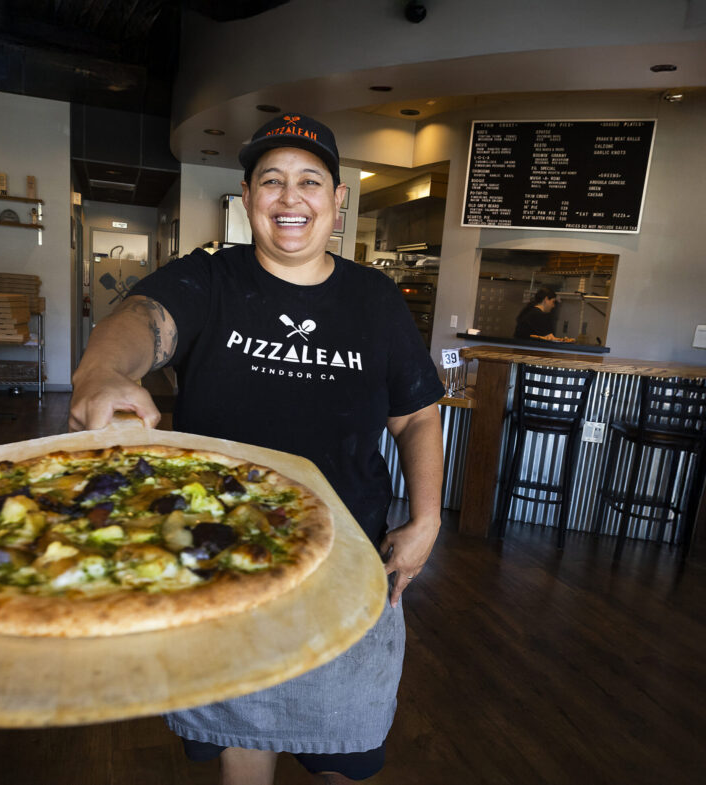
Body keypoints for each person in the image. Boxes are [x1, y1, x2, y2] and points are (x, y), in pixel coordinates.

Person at [69, 113, 445, 785]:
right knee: (242, 744)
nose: (289, 197)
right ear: (247, 197)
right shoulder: (211, 279)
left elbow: (416, 416)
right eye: (271, 180)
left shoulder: (376, 300)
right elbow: (142, 320)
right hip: (223, 570)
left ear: (337, 200)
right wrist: (102, 370)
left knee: (348, 756)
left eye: (309, 181)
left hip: (345, 569)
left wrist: (428, 519)